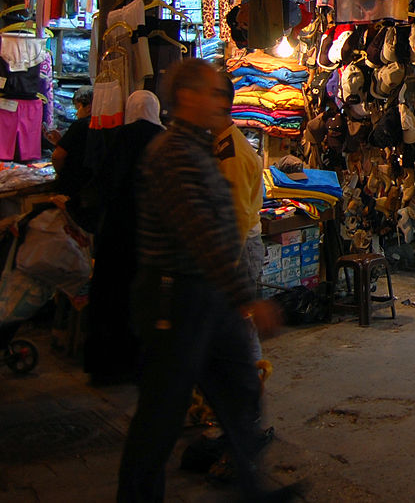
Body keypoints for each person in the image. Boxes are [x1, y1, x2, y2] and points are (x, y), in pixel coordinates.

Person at [117, 59, 295, 503]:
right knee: (161, 413)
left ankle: (252, 487)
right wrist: (245, 297)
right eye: (214, 93)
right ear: (189, 97)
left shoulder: (203, 148)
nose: (222, 102)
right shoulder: (174, 154)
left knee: (239, 391)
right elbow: (201, 232)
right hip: (175, 297)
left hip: (206, 295)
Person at [84, 90, 164, 386]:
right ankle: (140, 366)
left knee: (111, 297)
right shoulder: (163, 140)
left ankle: (106, 367)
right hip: (149, 236)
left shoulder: (116, 138)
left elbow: (102, 184)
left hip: (116, 233)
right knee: (143, 302)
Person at [213, 74, 266, 360]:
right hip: (240, 246)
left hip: (239, 248)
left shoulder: (231, 153)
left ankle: (249, 385)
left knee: (240, 327)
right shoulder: (224, 144)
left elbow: (237, 217)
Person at [52, 85, 95, 228]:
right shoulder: (104, 125)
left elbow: (58, 156)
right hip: (89, 187)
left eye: (78, 108)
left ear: (88, 107)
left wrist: (61, 172)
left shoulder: (80, 125)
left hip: (73, 187)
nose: (76, 113)